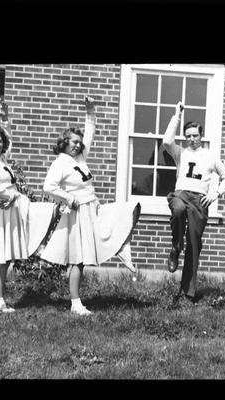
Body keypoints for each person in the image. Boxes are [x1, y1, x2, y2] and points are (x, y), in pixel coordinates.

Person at [40, 97, 141, 316]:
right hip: (78, 213)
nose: (77, 144)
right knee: (79, 259)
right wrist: (69, 199)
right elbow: (49, 186)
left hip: (93, 207)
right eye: (73, 141)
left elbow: (90, 130)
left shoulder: (81, 158)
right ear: (64, 142)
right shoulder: (60, 162)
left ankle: (123, 251)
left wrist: (90, 111)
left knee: (124, 212)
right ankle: (76, 303)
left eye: (79, 141)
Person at [0, 98, 55, 313]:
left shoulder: (2, 159)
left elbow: (9, 140)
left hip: (13, 209)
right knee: (2, 258)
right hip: (4, 210)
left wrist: (5, 118)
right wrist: (11, 196)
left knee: (7, 257)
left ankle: (40, 245)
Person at [162, 101, 225, 303]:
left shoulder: (211, 156)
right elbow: (167, 141)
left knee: (194, 245)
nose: (192, 139)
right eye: (188, 136)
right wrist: (176, 115)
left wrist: (216, 194)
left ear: (201, 136)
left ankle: (188, 292)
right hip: (181, 195)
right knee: (176, 210)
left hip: (199, 201)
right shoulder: (180, 153)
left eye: (195, 135)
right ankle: (176, 247)